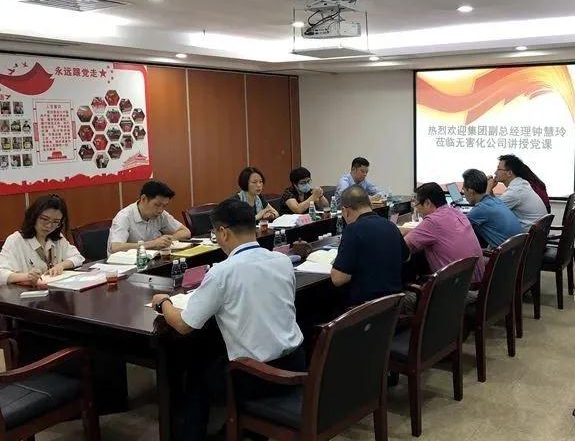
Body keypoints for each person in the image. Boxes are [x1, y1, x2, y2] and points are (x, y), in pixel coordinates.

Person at [151, 199, 304, 441]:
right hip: (295, 363)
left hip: (256, 377)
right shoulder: (282, 260)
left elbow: (183, 325)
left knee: (196, 372)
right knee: (214, 351)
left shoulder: (222, 272)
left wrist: (164, 303)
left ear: (223, 232)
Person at [327, 185, 407, 305]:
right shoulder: (390, 225)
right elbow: (407, 257)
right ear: (369, 204)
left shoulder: (352, 230)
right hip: (394, 304)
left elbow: (338, 279)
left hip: (368, 308)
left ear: (345, 210)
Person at [401, 182, 484, 283]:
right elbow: (441, 232)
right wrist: (410, 230)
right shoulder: (457, 213)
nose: (417, 209)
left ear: (427, 203)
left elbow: (402, 247)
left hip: (456, 287)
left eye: (417, 204)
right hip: (476, 281)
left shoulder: (432, 221)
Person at [0, 194, 85, 285]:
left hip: (54, 289)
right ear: (34, 216)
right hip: (26, 291)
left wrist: (61, 266)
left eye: (56, 222)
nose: (49, 226)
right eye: (45, 219)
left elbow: (78, 258)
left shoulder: (57, 238)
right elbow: (1, 273)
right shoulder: (15, 240)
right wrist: (27, 276)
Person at [108, 180, 191, 254]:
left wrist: (168, 240)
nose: (160, 210)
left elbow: (186, 232)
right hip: (126, 264)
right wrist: (153, 243)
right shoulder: (124, 216)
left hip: (152, 261)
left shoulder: (161, 215)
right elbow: (116, 247)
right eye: (157, 205)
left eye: (164, 206)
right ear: (143, 199)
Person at [461, 169, 522, 248]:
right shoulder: (495, 201)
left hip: (504, 254)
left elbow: (457, 229)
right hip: (517, 251)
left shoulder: (480, 209)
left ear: (471, 191)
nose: (464, 193)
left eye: (463, 189)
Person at [487, 154, 548, 231]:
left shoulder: (515, 191)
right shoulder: (520, 184)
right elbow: (496, 204)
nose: (495, 172)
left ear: (509, 173)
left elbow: (487, 211)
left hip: (526, 235)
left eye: (499, 169)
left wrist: (488, 187)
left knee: (484, 226)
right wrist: (490, 190)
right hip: (533, 233)